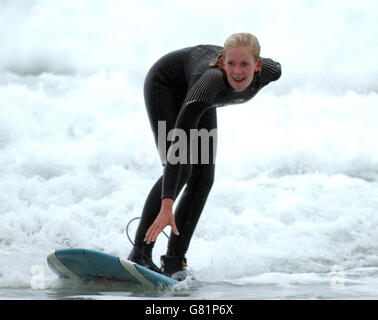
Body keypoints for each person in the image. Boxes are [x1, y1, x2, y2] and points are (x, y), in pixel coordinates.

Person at [128, 32, 281, 280]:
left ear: (258, 65)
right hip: (166, 86)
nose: (238, 71)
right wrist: (167, 205)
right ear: (222, 63)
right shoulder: (210, 82)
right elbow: (178, 146)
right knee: (184, 168)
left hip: (202, 99)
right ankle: (140, 254)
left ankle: (175, 261)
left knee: (204, 176)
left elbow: (275, 65)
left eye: (245, 64)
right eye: (231, 63)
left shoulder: (270, 71)